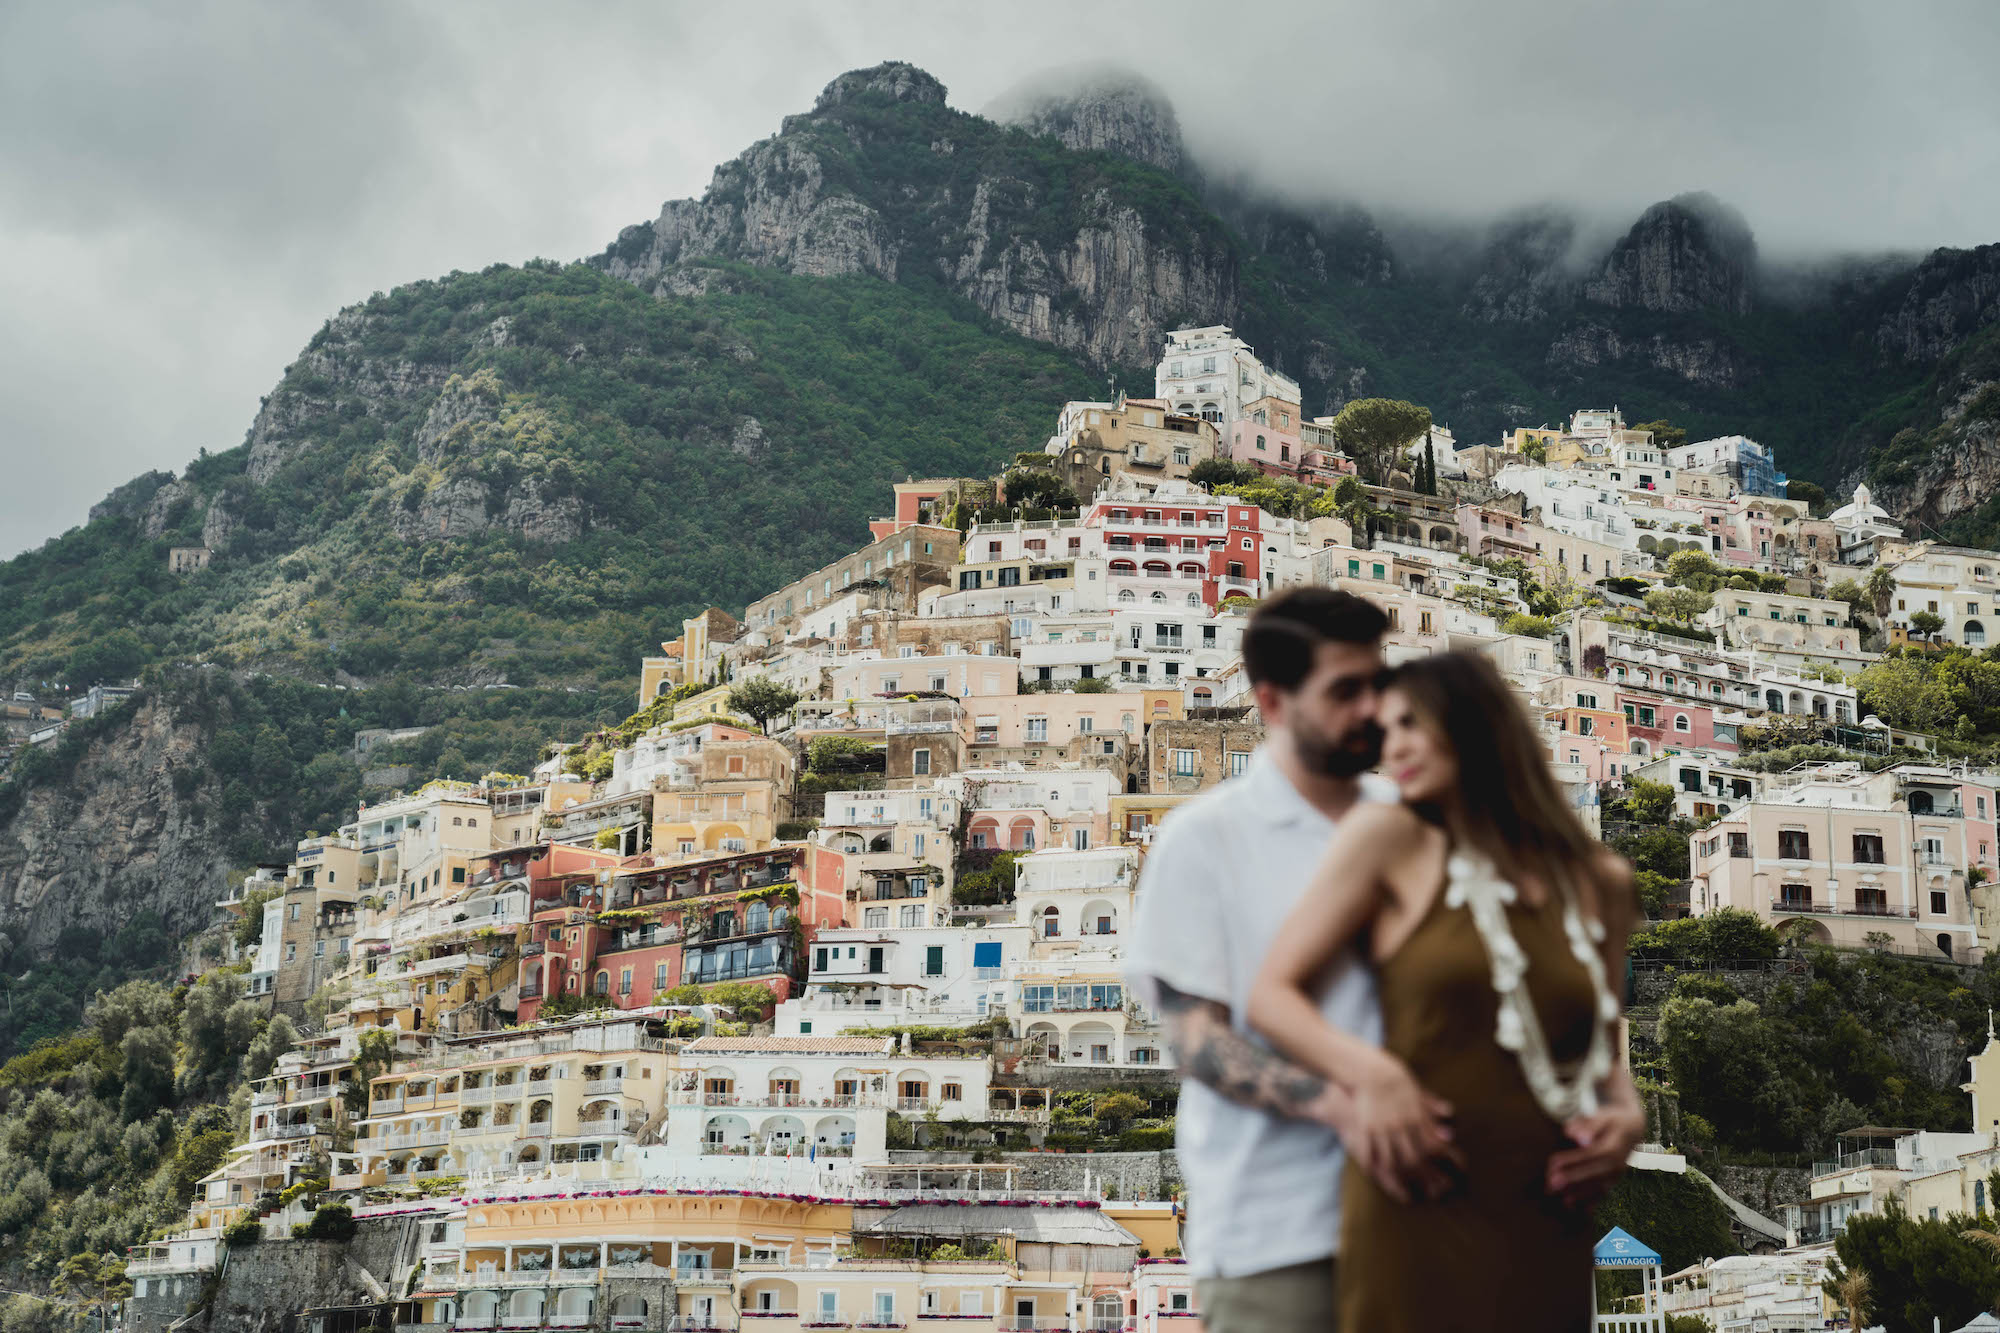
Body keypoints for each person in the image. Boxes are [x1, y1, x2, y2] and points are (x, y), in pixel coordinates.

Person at [1247, 651, 1647, 1332]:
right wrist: (1368, 1075)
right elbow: (1271, 992)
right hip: (1415, 1205)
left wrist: (1628, 1118)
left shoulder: (1601, 882)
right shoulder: (1389, 839)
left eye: (1410, 722)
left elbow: (1602, 1052)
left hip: (1546, 1217)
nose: (1390, 744)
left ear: (1475, 726)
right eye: (1382, 728)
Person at [1126, 589, 1456, 1333]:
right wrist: (1344, 1101)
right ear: (1272, 701)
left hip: (1430, 1220)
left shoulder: (1416, 822)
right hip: (1275, 1236)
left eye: (1379, 683)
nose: (1372, 707)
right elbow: (1196, 1039)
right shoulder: (1202, 839)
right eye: (1345, 690)